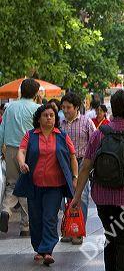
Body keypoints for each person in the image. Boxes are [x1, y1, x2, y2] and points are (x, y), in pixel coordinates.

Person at [70, 90, 124, 271]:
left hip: (103, 197)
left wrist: (77, 196)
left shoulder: (100, 134)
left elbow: (85, 167)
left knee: (110, 237)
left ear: (112, 108)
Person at [14, 104, 78, 266]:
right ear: (39, 118)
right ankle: (39, 248)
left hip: (54, 186)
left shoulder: (62, 136)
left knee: (49, 217)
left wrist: (75, 176)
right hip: (34, 184)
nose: (49, 118)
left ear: (56, 119)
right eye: (45, 115)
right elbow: (21, 151)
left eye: (52, 115)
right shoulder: (30, 135)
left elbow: (72, 157)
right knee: (35, 219)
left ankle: (48, 250)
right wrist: (22, 163)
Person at [0, 78, 40, 236]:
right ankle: (25, 226)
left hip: (10, 149)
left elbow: (1, 130)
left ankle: (6, 210)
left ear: (20, 90)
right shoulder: (37, 108)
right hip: (29, 151)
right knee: (28, 185)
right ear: (36, 93)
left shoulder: (9, 107)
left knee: (12, 184)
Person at [60, 92, 96, 245]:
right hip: (65, 163)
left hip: (82, 163)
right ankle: (68, 229)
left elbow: (95, 142)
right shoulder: (60, 124)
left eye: (68, 107)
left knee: (82, 196)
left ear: (76, 107)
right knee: (66, 197)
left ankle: (79, 230)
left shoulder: (87, 122)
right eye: (63, 107)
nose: (66, 110)